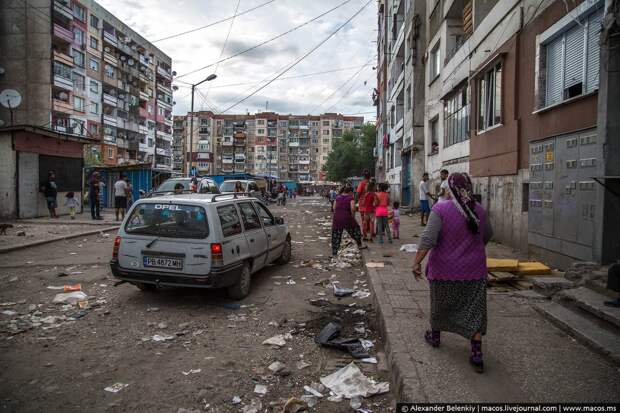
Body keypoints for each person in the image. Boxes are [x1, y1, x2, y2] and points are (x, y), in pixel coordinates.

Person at [411, 172, 493, 373]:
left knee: (440, 304)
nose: (445, 191)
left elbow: (428, 239)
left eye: (447, 187)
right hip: (474, 272)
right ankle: (476, 353)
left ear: (451, 189)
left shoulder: (440, 209)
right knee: (474, 310)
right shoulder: (480, 211)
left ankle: (436, 336)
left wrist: (416, 263)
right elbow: (488, 235)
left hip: (444, 270)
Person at [331, 185, 366, 257]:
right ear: (350, 192)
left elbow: (334, 208)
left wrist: (337, 214)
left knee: (336, 236)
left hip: (337, 219)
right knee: (356, 230)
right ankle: (359, 245)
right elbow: (353, 208)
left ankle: (334, 253)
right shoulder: (350, 198)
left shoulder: (337, 198)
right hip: (347, 218)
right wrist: (353, 217)